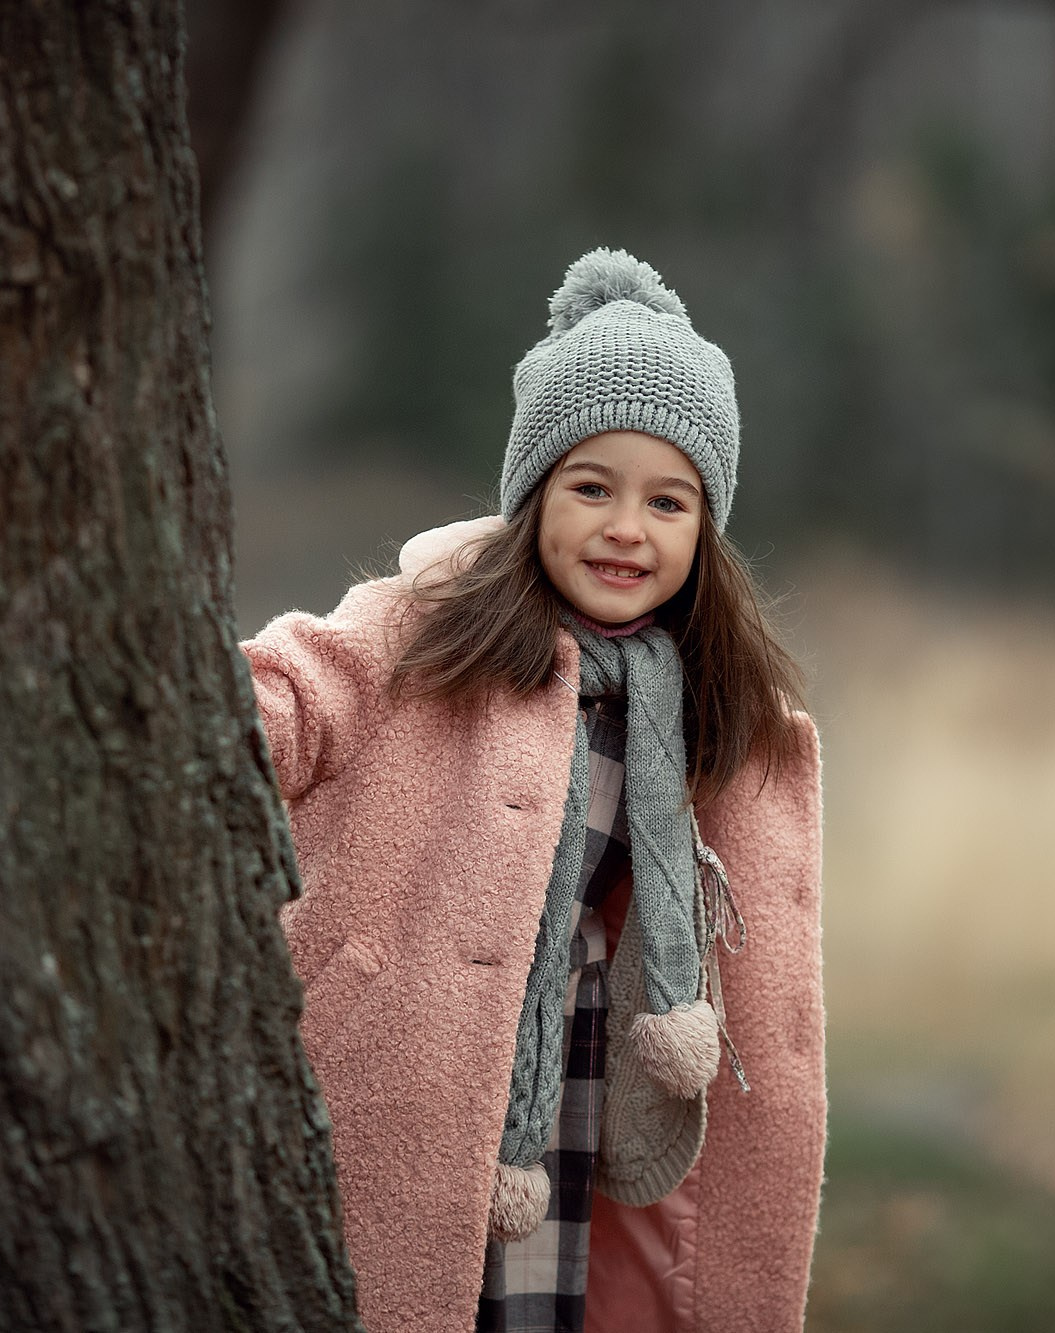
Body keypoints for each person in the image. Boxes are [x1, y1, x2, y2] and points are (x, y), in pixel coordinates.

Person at [242, 249, 826, 1333]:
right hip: (418, 1053)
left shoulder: (705, 695)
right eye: (590, 487)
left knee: (549, 1303)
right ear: (532, 495)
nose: (625, 528)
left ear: (705, 527)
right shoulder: (426, 625)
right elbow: (298, 691)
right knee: (418, 1288)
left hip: (590, 1068)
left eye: (667, 500)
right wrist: (211, 707)